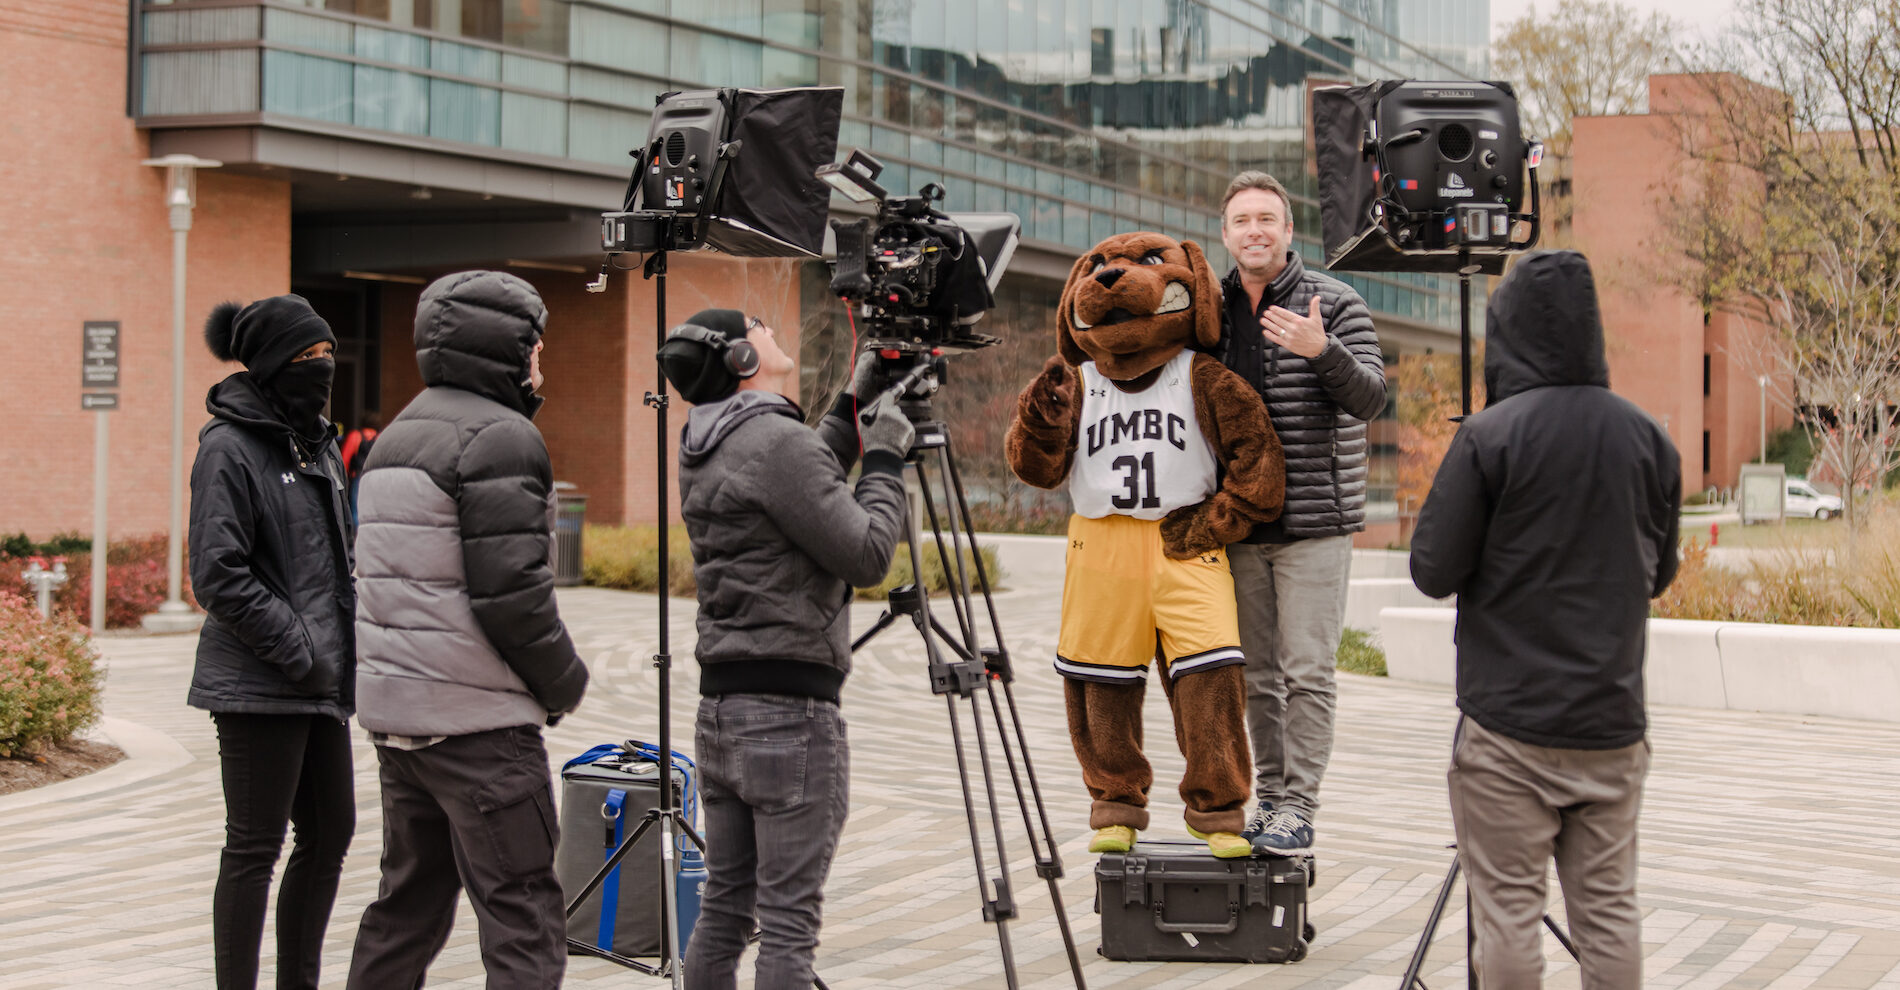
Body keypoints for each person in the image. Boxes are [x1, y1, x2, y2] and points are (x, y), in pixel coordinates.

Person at [1410, 250, 1681, 988]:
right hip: (1612, 725)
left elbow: (1432, 570)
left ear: (1508, 333)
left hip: (1508, 731)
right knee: (1611, 915)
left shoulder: (1490, 437)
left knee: (1508, 917)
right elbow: (1660, 573)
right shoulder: (1650, 437)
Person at [345, 270, 590, 988]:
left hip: (402, 725)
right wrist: (563, 683)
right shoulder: (502, 438)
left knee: (407, 909)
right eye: (535, 345)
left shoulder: (395, 435)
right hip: (481, 730)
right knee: (523, 914)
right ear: (506, 348)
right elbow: (513, 593)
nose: (542, 359)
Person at [658, 308, 910, 990]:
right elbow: (866, 553)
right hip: (791, 720)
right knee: (789, 924)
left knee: (726, 909)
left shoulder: (708, 438)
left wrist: (854, 402)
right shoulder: (774, 441)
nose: (773, 329)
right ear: (743, 358)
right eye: (760, 325)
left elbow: (800, 475)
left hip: (723, 712)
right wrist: (886, 458)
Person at [1216, 170, 1387, 856]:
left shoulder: (1336, 302)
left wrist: (1322, 352)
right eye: (1242, 221)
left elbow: (1371, 397)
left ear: (1289, 232)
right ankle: (1269, 799)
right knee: (1254, 675)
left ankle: (1300, 807)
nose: (1255, 230)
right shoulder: (1210, 308)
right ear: (1226, 235)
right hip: (1240, 523)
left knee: (1307, 670)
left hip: (1315, 523)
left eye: (1267, 219)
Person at [189, 294, 355, 990]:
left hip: (320, 682)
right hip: (262, 682)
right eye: (306, 357)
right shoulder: (229, 448)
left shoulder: (317, 443)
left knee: (332, 834)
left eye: (328, 355)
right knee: (254, 848)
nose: (322, 368)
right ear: (269, 365)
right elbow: (216, 574)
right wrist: (300, 647)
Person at [339, 412, 380, 524]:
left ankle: (357, 537)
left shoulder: (356, 436)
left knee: (356, 510)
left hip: (359, 477)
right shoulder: (380, 437)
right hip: (376, 477)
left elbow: (344, 459)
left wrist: (343, 478)